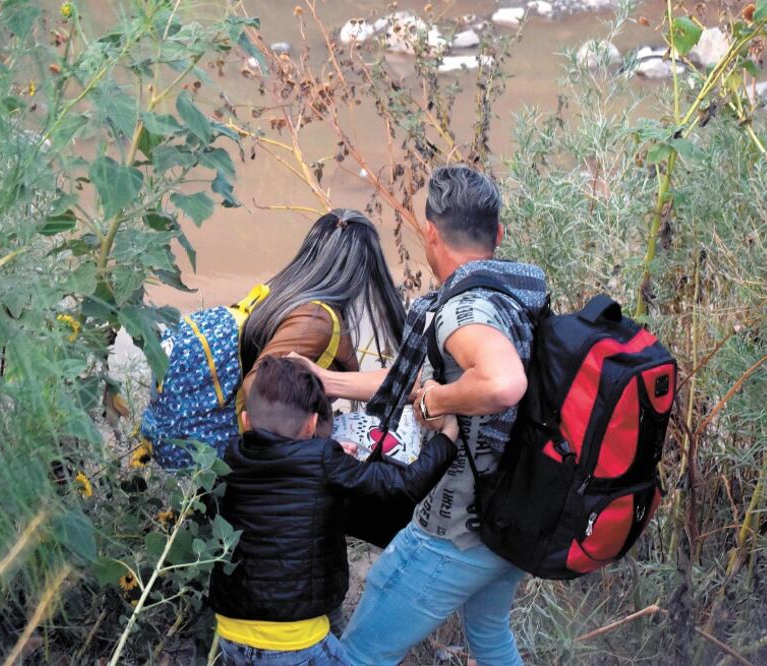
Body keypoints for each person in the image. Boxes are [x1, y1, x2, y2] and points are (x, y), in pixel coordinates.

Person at [305, 165, 548, 665]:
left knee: (356, 657)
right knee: (489, 637)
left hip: (453, 533)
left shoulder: (462, 312)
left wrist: (436, 404)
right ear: (497, 235)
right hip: (508, 518)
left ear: (429, 232)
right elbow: (414, 380)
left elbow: (502, 384)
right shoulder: (513, 294)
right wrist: (326, 381)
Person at [207, 356, 459, 666]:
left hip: (230, 628)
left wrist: (333, 466)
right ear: (313, 424)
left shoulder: (229, 458)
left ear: (246, 421)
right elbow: (402, 486)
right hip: (293, 637)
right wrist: (447, 437)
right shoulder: (324, 459)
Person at [239, 209, 404, 438]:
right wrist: (305, 450)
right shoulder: (315, 318)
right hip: (258, 447)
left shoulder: (283, 294)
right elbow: (258, 386)